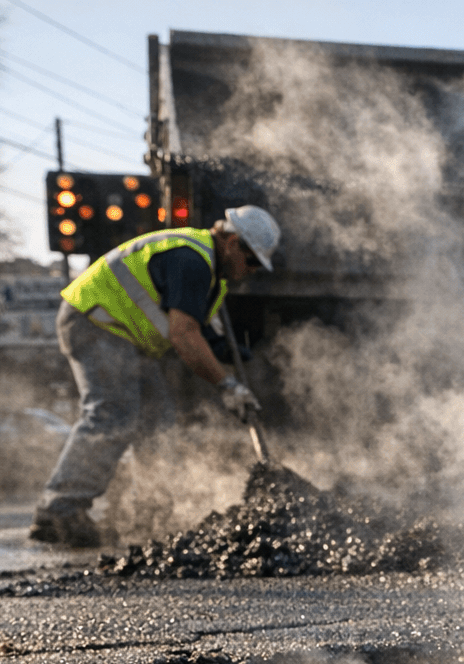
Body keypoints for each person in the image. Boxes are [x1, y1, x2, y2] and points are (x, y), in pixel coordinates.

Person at [29, 206, 281, 546]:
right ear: (233, 243)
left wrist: (242, 359)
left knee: (157, 421)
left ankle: (149, 515)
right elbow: (184, 334)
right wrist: (227, 385)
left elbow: (204, 335)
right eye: (251, 262)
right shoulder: (192, 260)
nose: (249, 272)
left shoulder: (207, 270)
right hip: (96, 322)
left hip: (125, 339)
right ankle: (58, 512)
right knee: (114, 413)